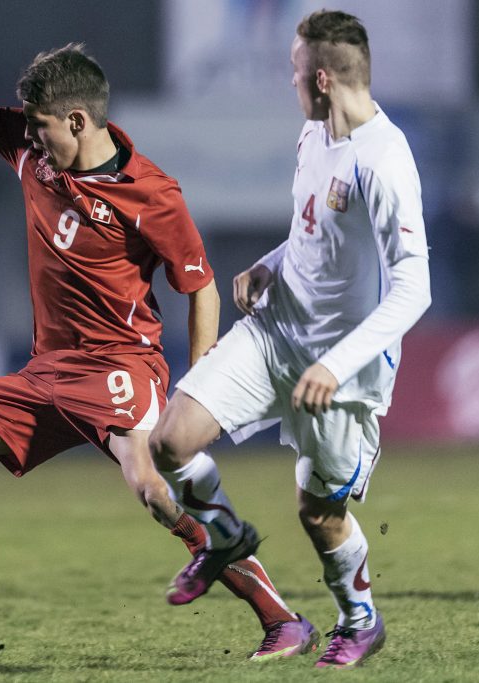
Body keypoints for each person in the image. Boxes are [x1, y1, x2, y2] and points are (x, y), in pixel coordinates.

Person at [0, 24, 303, 654]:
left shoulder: (152, 195)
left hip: (121, 371)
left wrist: (199, 386)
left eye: (41, 126)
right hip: (47, 373)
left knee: (156, 492)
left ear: (77, 120)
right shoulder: (29, 149)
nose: (30, 136)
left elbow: (198, 287)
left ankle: (282, 620)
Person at [149, 9, 432, 669]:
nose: (290, 82)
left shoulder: (385, 160)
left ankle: (359, 618)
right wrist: (268, 266)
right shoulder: (314, 135)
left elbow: (415, 285)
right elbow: (313, 236)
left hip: (342, 368)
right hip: (275, 333)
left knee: (317, 512)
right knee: (169, 440)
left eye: (295, 71)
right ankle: (222, 536)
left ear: (325, 78)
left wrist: (335, 365)